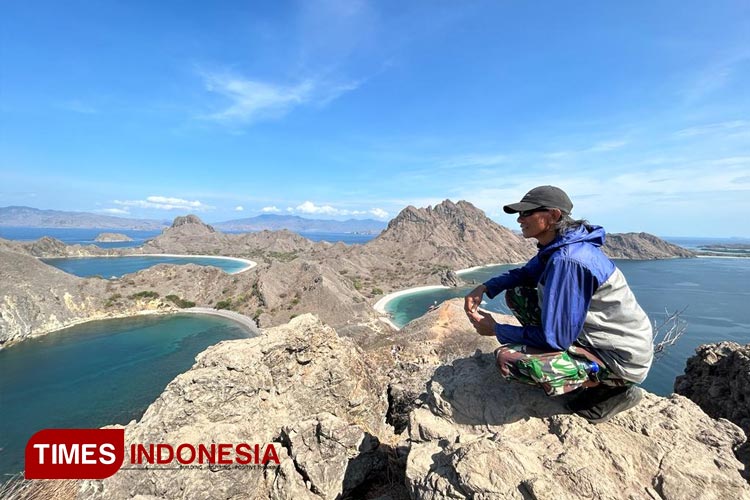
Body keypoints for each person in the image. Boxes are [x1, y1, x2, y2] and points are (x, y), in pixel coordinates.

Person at [464, 185, 653, 423]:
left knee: (508, 359)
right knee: (518, 293)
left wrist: (496, 329)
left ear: (553, 216)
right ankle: (577, 366)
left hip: (618, 359)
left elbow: (556, 339)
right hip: (595, 340)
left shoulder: (569, 260)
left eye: (527, 213)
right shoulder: (559, 247)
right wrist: (486, 287)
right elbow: (525, 274)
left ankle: (612, 389)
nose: (520, 219)